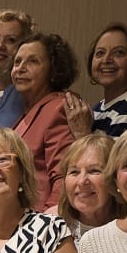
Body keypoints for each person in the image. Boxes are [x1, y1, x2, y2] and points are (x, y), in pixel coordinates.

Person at [11, 32, 80, 207]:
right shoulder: (28, 112)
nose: (21, 68)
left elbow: (64, 176)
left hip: (42, 217)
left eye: (33, 61)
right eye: (17, 62)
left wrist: (49, 218)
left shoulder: (59, 109)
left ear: (53, 71)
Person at [66, 24, 127, 138]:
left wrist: (83, 133)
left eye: (119, 52)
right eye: (100, 53)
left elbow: (111, 153)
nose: (106, 59)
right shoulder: (99, 108)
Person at [55, 132, 120, 239]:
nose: (81, 181)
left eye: (94, 171)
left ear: (115, 177)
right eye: (74, 172)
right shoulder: (51, 226)